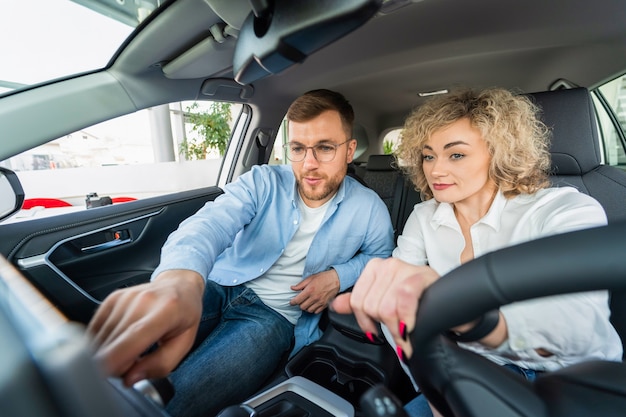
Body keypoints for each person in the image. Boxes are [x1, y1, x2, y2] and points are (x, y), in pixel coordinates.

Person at [87, 89, 395, 417]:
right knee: (113, 358)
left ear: (349, 151)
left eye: (324, 148)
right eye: (298, 149)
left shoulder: (369, 208)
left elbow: (383, 259)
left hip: (273, 316)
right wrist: (180, 281)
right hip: (220, 283)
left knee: (178, 399)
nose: (309, 164)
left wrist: (338, 277)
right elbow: (211, 222)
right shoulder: (263, 181)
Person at [331, 87, 623, 417]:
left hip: (572, 381)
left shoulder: (565, 210)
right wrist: (432, 387)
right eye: (428, 156)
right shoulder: (425, 217)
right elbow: (396, 311)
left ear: (500, 153)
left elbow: (577, 326)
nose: (436, 170)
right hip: (472, 370)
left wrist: (468, 315)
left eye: (456, 154)